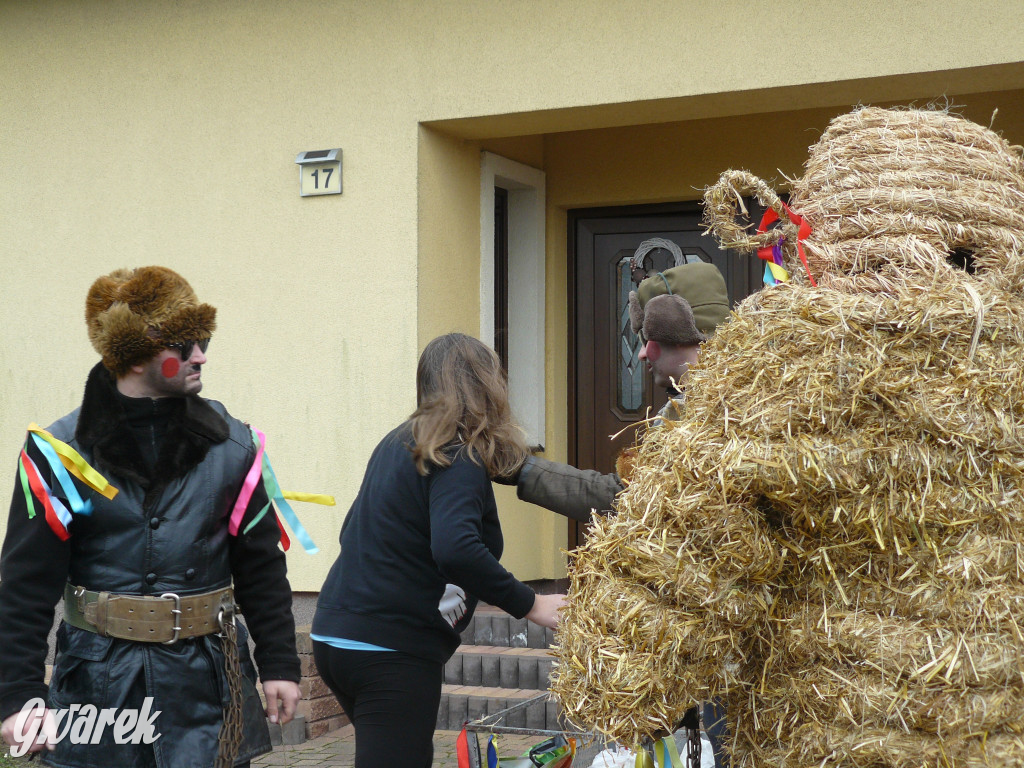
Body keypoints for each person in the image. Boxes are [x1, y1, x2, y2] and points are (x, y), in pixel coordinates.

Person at [0, 266, 301, 768]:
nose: (201, 354)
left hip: (207, 685)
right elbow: (26, 586)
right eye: (184, 343)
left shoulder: (235, 446)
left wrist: (279, 664)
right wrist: (17, 697)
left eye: (202, 339)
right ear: (133, 355)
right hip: (98, 687)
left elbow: (260, 565)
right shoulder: (59, 455)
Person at [510, 260, 733, 767]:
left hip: (735, 637)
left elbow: (619, 498)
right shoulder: (690, 409)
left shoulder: (722, 414)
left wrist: (521, 471)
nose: (639, 353)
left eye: (645, 338)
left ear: (670, 335)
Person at [311, 332, 567, 768]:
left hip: (337, 636)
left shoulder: (398, 443)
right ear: (487, 386)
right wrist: (532, 604)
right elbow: (457, 549)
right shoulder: (457, 455)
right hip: (389, 650)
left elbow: (354, 530)